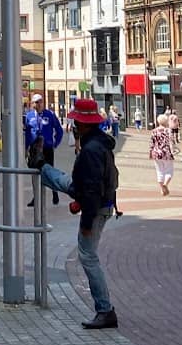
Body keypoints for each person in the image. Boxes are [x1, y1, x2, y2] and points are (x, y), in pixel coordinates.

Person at [36, 98, 120, 329]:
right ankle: (42, 168)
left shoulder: (91, 150)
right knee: (65, 182)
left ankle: (104, 309)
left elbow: (91, 189)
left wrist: (86, 220)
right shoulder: (99, 144)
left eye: (76, 122)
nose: (73, 126)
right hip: (98, 200)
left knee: (88, 256)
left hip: (95, 204)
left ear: (83, 124)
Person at [25, 95, 64, 207]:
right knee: (34, 173)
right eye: (36, 102)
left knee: (49, 171)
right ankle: (36, 197)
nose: (39, 104)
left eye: (41, 102)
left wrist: (55, 144)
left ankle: (54, 192)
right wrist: (26, 149)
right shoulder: (29, 116)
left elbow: (59, 130)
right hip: (34, 149)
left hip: (47, 148)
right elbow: (27, 134)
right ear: (32, 104)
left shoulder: (50, 115)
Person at [148, 112, 177, 196]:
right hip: (166, 153)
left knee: (159, 171)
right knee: (169, 170)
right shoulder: (168, 131)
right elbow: (171, 142)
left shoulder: (154, 131)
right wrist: (173, 150)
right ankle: (165, 184)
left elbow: (151, 143)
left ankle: (162, 188)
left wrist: (151, 152)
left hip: (156, 153)